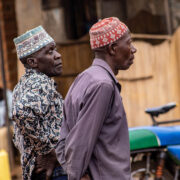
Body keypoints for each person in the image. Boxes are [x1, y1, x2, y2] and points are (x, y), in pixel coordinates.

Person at [55, 17, 137, 180]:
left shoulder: (83, 78)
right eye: (129, 43)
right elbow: (81, 142)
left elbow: (62, 140)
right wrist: (77, 176)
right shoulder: (103, 85)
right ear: (113, 49)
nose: (134, 49)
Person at [12, 26, 67, 180]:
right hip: (53, 170)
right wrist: (47, 150)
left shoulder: (22, 85)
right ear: (32, 62)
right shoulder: (41, 82)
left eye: (55, 50)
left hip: (36, 170)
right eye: (50, 52)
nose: (58, 55)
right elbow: (21, 113)